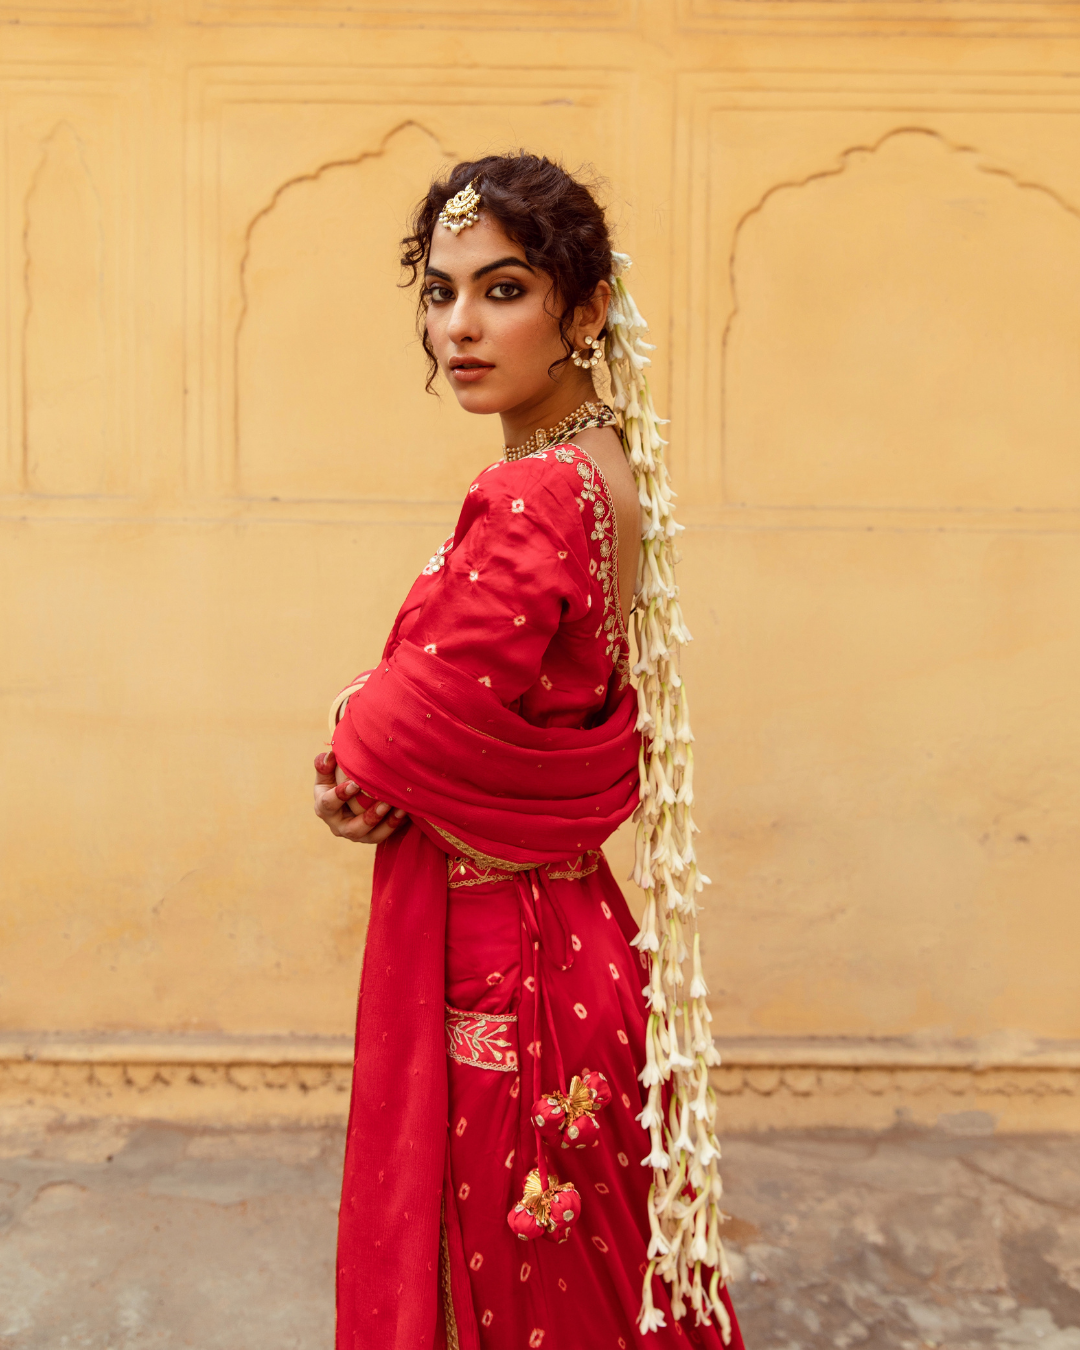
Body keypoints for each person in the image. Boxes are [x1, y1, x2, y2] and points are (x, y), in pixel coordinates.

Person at [313, 153, 743, 1350]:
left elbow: (388, 737)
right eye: (441, 292)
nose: (459, 326)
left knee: (525, 1309)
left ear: (586, 310)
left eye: (502, 290)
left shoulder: (533, 496)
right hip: (572, 938)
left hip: (510, 969)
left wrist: (356, 720)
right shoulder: (607, 469)